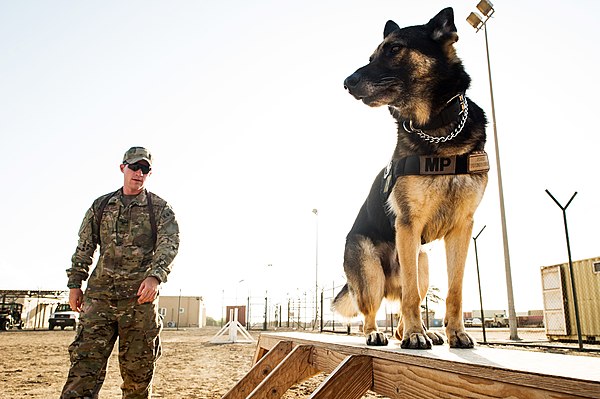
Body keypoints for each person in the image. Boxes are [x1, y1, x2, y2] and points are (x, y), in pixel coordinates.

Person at [60, 146, 180, 399]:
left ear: (149, 173)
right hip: (99, 300)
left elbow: (169, 243)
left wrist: (154, 276)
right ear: (122, 167)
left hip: (139, 302)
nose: (139, 173)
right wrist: (75, 284)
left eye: (145, 169)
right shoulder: (101, 206)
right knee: (83, 371)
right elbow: (85, 246)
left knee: (137, 376)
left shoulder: (159, 208)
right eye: (134, 167)